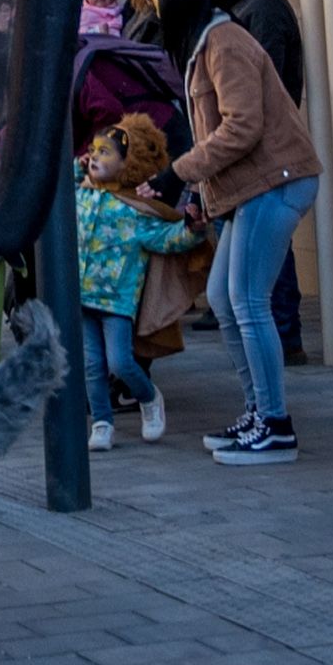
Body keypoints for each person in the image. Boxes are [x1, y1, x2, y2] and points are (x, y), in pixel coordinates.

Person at [170, 0, 323, 465]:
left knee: (248, 300)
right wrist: (198, 195)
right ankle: (259, 412)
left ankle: (275, 425)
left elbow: (242, 127)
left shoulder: (224, 42)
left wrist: (181, 174)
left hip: (275, 181)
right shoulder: (208, 44)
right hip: (253, 187)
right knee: (222, 295)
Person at [75, 114, 206, 452]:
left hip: (117, 301)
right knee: (92, 365)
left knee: (119, 361)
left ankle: (148, 396)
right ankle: (102, 423)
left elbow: (167, 237)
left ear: (128, 164)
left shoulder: (134, 211)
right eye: (94, 150)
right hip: (83, 297)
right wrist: (78, 167)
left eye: (105, 152)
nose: (95, 157)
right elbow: (61, 186)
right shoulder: (82, 197)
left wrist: (192, 230)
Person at [210, 0, 311, 362]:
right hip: (250, 154)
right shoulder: (243, 6)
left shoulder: (264, 10)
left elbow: (262, 91)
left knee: (268, 254)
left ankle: (284, 339)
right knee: (232, 285)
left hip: (265, 156)